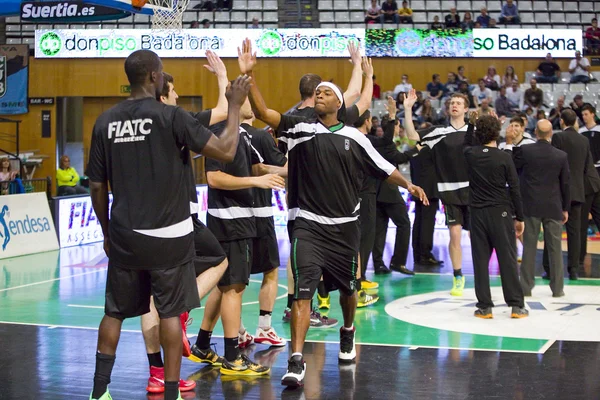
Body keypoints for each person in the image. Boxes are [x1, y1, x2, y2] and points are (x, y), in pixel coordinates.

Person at [236, 38, 427, 388]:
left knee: (349, 292)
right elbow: (265, 113)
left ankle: (348, 329)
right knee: (302, 294)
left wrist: (409, 185)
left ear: (339, 103)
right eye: (318, 91)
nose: (321, 95)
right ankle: (296, 360)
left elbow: (386, 168)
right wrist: (249, 77)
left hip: (345, 226)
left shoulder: (355, 137)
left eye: (327, 92)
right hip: (308, 225)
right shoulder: (298, 126)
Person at [86, 49, 250, 400]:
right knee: (171, 314)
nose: (163, 78)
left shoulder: (105, 121)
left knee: (114, 313)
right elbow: (224, 150)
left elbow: (97, 186)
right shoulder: (171, 117)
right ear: (152, 77)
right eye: (161, 73)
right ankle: (172, 391)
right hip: (169, 236)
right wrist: (235, 104)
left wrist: (104, 232)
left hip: (126, 234)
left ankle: (99, 392)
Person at [142, 54, 231, 394]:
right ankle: (178, 314)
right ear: (163, 96)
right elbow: (224, 111)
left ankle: (155, 371)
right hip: (178, 219)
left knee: (148, 300)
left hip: (140, 223)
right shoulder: (177, 120)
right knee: (220, 261)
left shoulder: (133, 124)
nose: (178, 96)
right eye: (174, 90)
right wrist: (223, 77)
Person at [197, 95, 286, 376]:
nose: (252, 102)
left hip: (240, 221)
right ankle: (233, 356)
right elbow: (214, 177)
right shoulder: (221, 133)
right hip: (230, 222)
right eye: (245, 97)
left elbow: (261, 168)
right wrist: (255, 181)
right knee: (234, 288)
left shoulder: (245, 136)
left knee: (225, 287)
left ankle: (201, 343)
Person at [405, 92, 471, 296]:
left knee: (481, 237)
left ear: (466, 108)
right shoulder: (439, 132)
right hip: (450, 192)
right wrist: (407, 109)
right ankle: (458, 276)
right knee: (454, 235)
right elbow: (412, 137)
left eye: (459, 103)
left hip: (474, 192)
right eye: (452, 103)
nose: (455, 105)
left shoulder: (474, 131)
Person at [463, 112, 528, 319]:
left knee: (480, 261)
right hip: (501, 213)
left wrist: (472, 125)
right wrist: (520, 217)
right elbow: (515, 190)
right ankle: (516, 306)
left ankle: (484, 307)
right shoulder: (504, 157)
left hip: (478, 214)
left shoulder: (471, 155)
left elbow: (466, 143)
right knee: (508, 260)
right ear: (497, 133)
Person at [505, 120, 569, 298]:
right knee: (555, 249)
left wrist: (509, 142)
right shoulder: (561, 156)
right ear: (550, 135)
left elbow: (511, 170)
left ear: (536, 133)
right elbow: (565, 184)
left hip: (530, 205)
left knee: (529, 248)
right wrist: (565, 208)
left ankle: (526, 288)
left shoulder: (525, 151)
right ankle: (557, 289)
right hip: (553, 206)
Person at [544, 109, 593, 281]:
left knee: (552, 230)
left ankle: (549, 269)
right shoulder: (584, 140)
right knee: (575, 232)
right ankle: (573, 270)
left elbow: (552, 163)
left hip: (558, 191)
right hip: (578, 191)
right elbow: (588, 167)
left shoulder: (558, 138)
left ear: (562, 122)